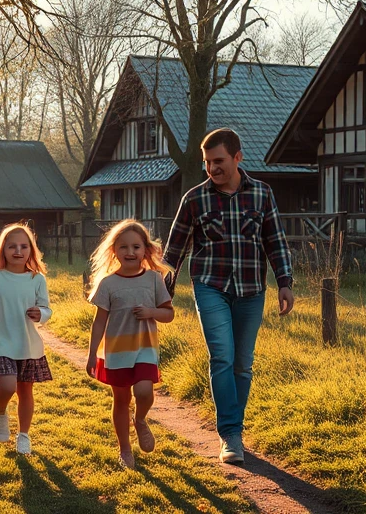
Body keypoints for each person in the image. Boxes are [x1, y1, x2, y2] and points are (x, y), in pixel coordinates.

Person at [162, 127, 294, 465]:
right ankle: (231, 434)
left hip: (251, 290)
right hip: (210, 285)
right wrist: (163, 287)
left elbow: (275, 242)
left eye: (218, 161)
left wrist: (285, 282)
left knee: (242, 365)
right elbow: (174, 248)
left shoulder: (262, 194)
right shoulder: (194, 198)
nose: (211, 169)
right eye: (206, 162)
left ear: (237, 157)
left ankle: (234, 428)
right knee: (221, 356)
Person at [85, 219, 175, 469]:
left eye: (136, 247)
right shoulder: (108, 284)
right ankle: (125, 450)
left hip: (145, 348)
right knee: (121, 399)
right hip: (116, 352)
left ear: (146, 250)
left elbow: (169, 314)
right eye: (123, 247)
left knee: (144, 392)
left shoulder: (155, 280)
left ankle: (141, 418)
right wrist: (92, 354)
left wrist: (151, 312)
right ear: (114, 251)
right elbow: (99, 322)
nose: (130, 252)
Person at [0, 223, 53, 455]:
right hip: (1, 343)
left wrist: (41, 314)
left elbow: (46, 308)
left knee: (25, 391)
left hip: (28, 344)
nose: (18, 251)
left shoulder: (36, 279)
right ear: (3, 250)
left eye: (23, 246)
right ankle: (0, 413)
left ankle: (24, 435)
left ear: (31, 250)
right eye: (12, 246)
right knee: (7, 385)